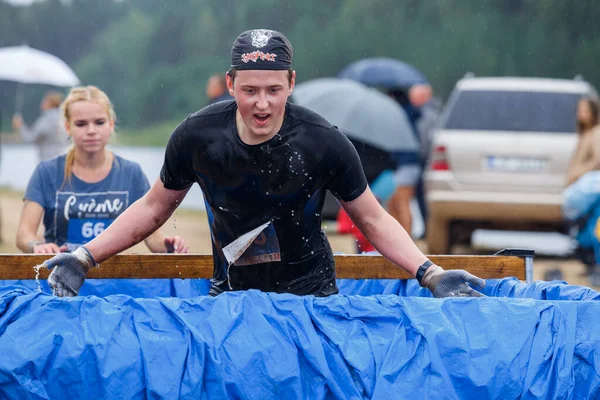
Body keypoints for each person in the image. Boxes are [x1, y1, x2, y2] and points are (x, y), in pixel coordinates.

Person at [40, 29, 485, 299]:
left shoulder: (324, 141)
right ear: (230, 84)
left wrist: (430, 273)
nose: (262, 103)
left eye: (273, 89)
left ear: (291, 82)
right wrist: (83, 256)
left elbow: (372, 219)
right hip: (231, 294)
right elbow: (154, 208)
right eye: (250, 89)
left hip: (311, 294)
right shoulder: (197, 136)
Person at [16, 85, 188, 255]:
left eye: (99, 122)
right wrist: (36, 246)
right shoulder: (46, 172)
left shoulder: (131, 173)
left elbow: (152, 238)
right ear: (68, 128)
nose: (91, 131)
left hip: (113, 280)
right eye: (81, 124)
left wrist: (168, 245)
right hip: (60, 276)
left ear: (111, 124)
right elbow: (24, 234)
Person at [12, 90, 69, 163]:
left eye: (44, 100)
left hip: (47, 162)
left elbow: (30, 138)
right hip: (63, 160)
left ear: (49, 103)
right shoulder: (64, 119)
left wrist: (20, 126)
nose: (42, 103)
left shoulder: (46, 120)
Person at [565, 97, 600, 187]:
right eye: (579, 110)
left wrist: (578, 172)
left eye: (585, 111)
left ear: (592, 113)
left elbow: (597, 161)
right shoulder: (585, 134)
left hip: (588, 184)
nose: (580, 114)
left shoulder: (596, 133)